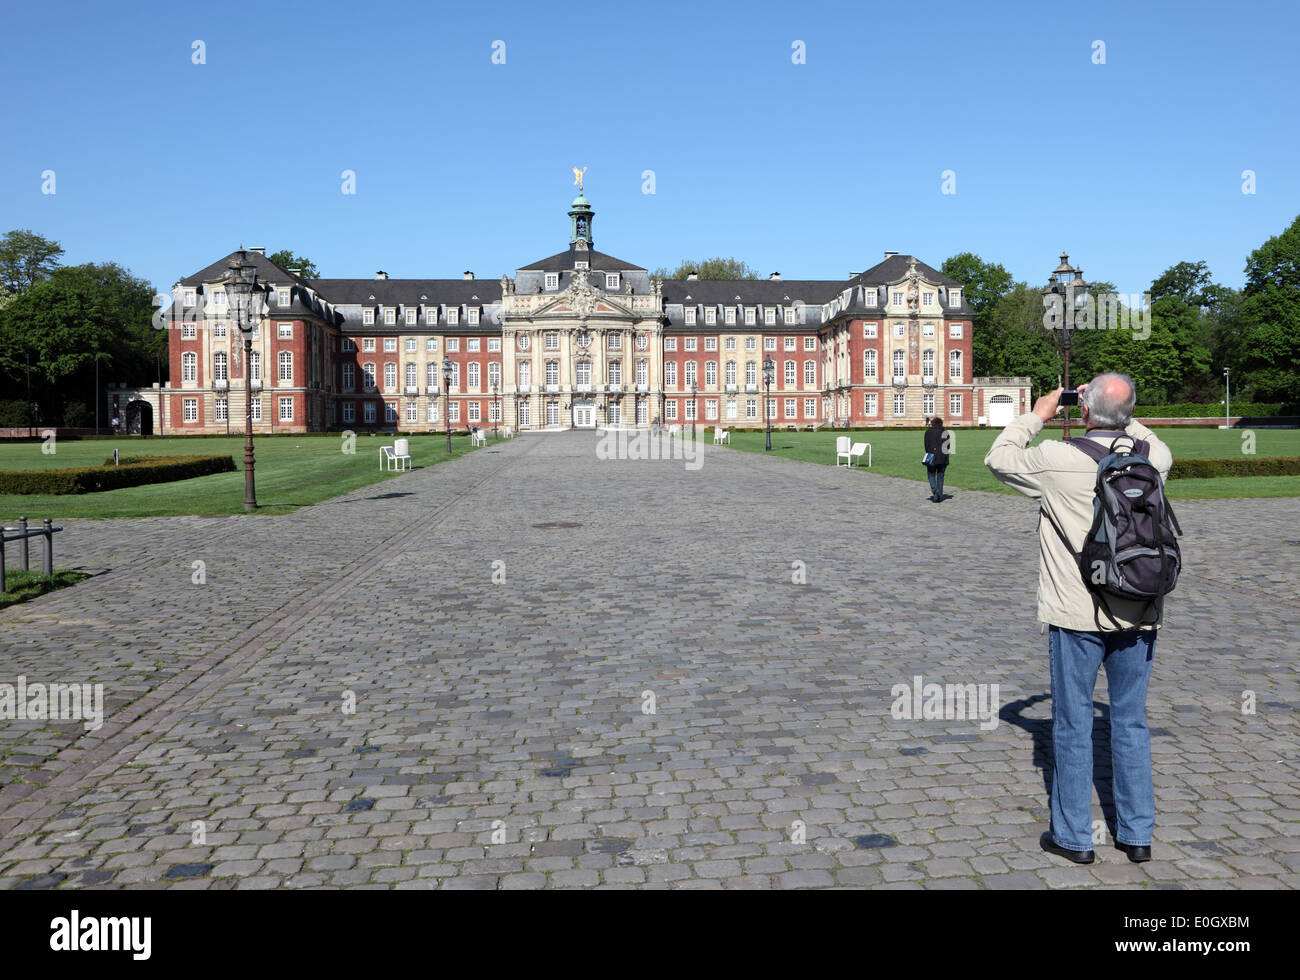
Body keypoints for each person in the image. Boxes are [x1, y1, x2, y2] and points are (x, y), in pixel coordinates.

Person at [984, 374, 1172, 866]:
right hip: (1137, 609)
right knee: (1130, 722)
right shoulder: (1153, 459)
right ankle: (1136, 835)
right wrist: (1118, 406)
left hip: (1076, 610)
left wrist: (1040, 412)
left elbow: (999, 457)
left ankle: (1074, 837)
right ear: (1130, 412)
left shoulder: (1057, 457)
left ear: (1082, 410)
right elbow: (1146, 435)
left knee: (1071, 725)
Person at [923, 416, 949, 502]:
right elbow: (948, 447)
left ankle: (935, 491)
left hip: (931, 456)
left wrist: (929, 453)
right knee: (940, 476)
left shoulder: (928, 432)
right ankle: (940, 495)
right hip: (942, 458)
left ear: (933, 424)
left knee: (931, 475)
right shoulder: (945, 432)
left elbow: (926, 446)